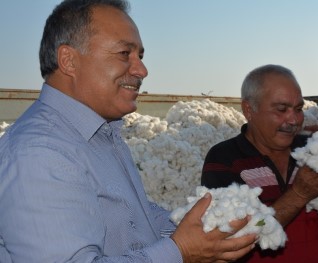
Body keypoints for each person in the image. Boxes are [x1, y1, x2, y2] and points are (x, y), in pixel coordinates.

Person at [0, 0, 258, 262]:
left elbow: (133, 218)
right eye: (125, 54)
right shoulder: (40, 152)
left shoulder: (100, 134)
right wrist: (181, 252)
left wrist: (197, 228)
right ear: (69, 60)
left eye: (140, 56)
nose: (142, 70)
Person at [201, 64, 318, 263]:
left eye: (298, 109)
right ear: (249, 109)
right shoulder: (224, 158)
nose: (294, 120)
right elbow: (231, 239)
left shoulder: (312, 151)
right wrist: (299, 194)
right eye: (281, 109)